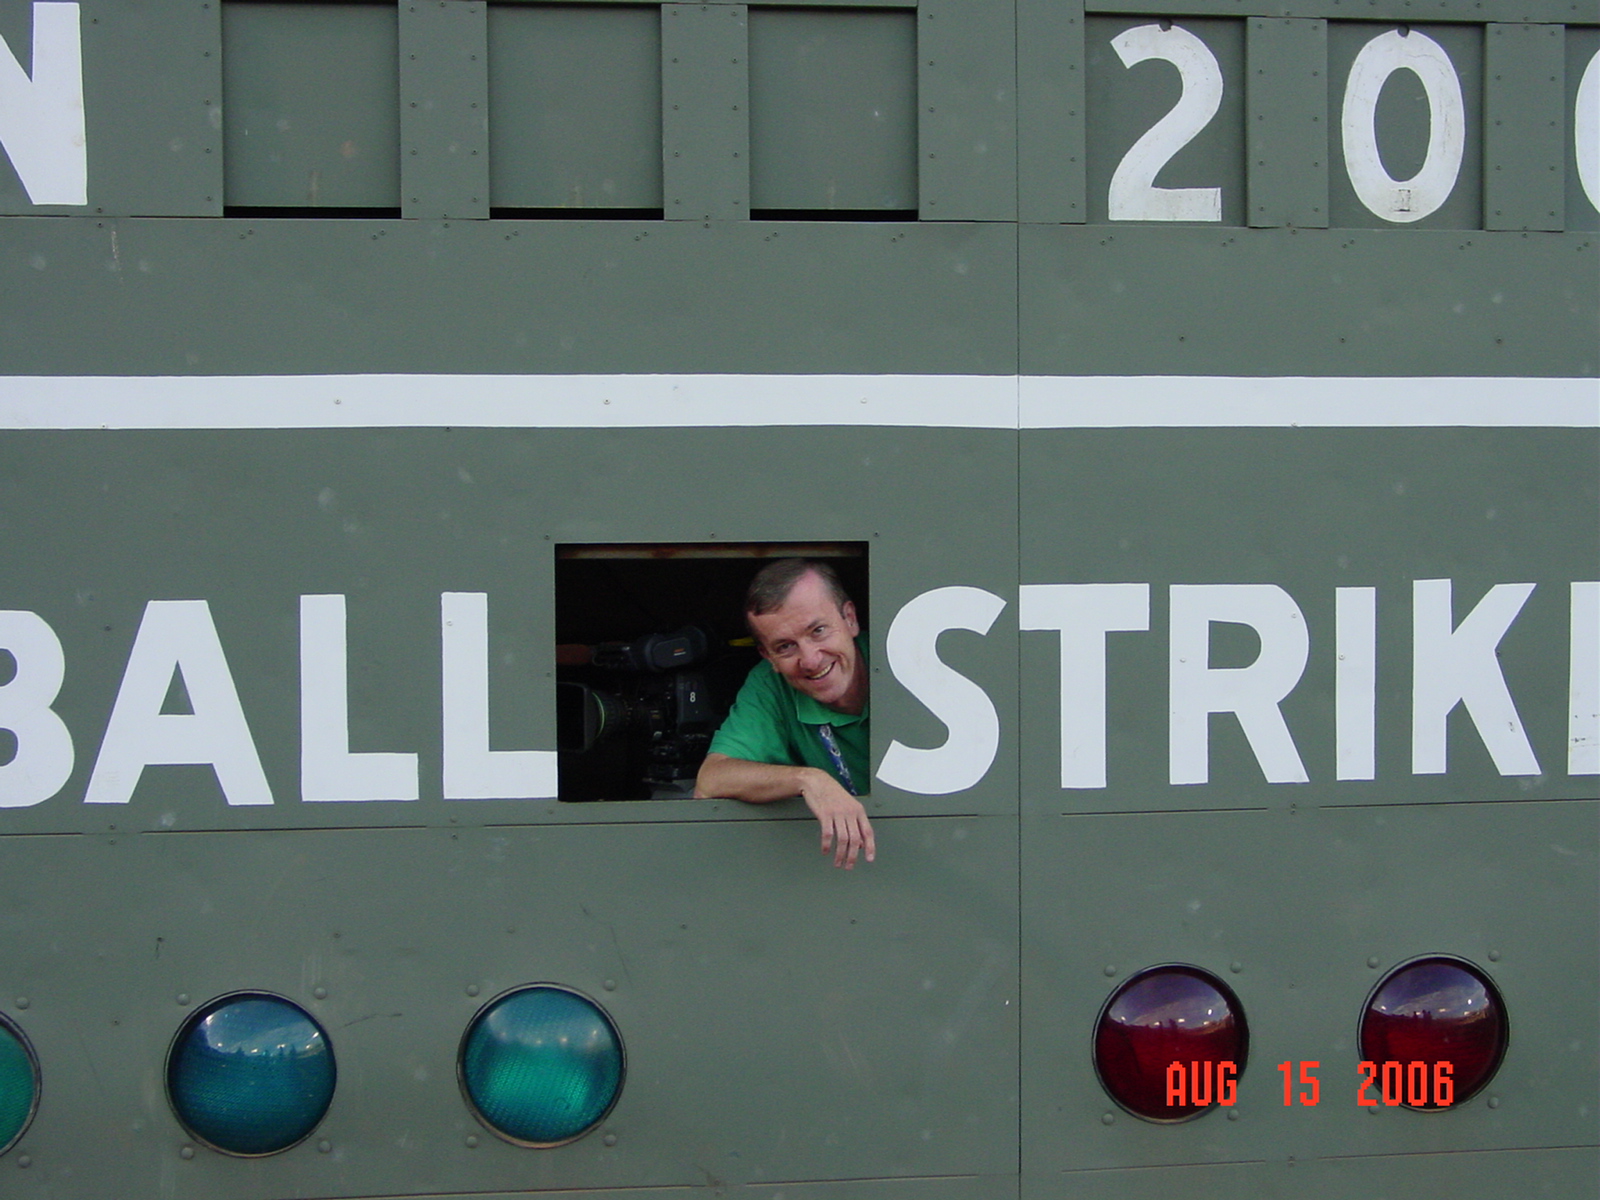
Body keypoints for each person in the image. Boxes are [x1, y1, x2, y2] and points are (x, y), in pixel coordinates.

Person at [695, 559, 875, 868]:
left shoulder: (903, 654)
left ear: (850, 619)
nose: (810, 660)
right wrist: (809, 780)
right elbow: (710, 781)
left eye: (818, 630)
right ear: (768, 657)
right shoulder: (769, 684)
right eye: (785, 647)